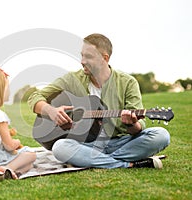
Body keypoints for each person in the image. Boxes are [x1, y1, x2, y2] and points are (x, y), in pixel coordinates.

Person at [28, 33, 170, 169]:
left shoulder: (127, 82)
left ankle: (94, 160)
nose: (82, 61)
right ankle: (126, 164)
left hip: (120, 141)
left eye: (88, 57)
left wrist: (131, 123)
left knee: (161, 135)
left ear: (105, 58)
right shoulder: (71, 79)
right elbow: (34, 97)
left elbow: (137, 129)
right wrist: (51, 111)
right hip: (85, 144)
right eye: (82, 55)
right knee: (60, 147)